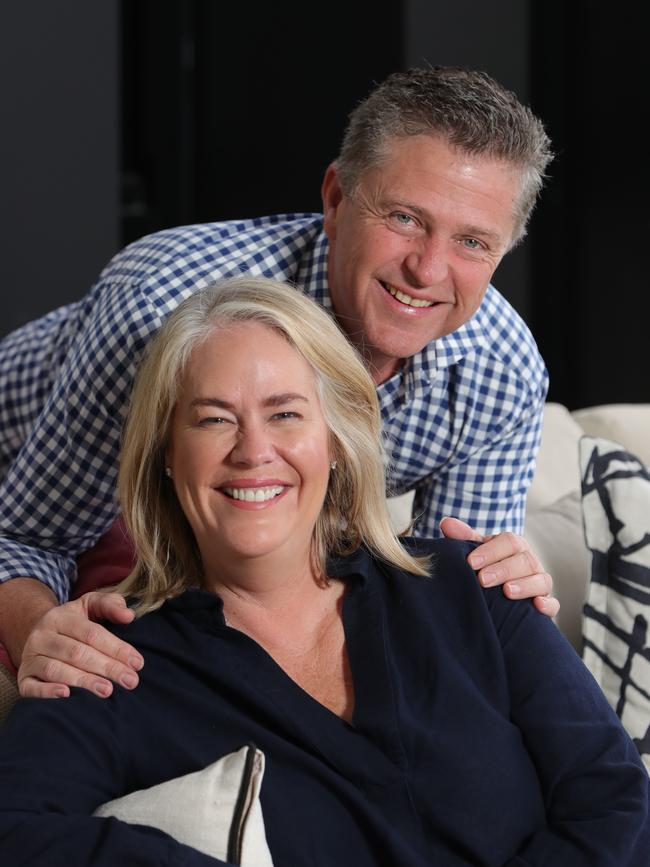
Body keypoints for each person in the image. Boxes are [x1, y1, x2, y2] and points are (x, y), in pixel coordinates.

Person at [0, 276, 647, 867]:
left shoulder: (472, 582)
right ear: (168, 456)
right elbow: (14, 828)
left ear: (335, 442)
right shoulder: (113, 663)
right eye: (214, 418)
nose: (253, 451)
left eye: (285, 413)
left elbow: (618, 801)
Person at [0, 65, 557, 700]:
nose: (428, 270)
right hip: (46, 477)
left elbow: (441, 602)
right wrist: (40, 633)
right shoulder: (162, 310)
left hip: (221, 522)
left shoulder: (501, 373)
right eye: (404, 217)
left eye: (472, 243)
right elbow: (26, 534)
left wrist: (503, 601)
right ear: (335, 199)